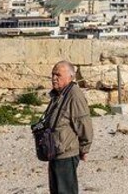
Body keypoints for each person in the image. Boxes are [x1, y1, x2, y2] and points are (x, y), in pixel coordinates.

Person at [45, 60, 93, 194]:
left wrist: (85, 148)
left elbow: (83, 123)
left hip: (66, 153)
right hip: (55, 152)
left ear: (70, 76)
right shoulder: (59, 95)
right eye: (53, 74)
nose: (54, 78)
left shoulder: (74, 95)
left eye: (58, 75)